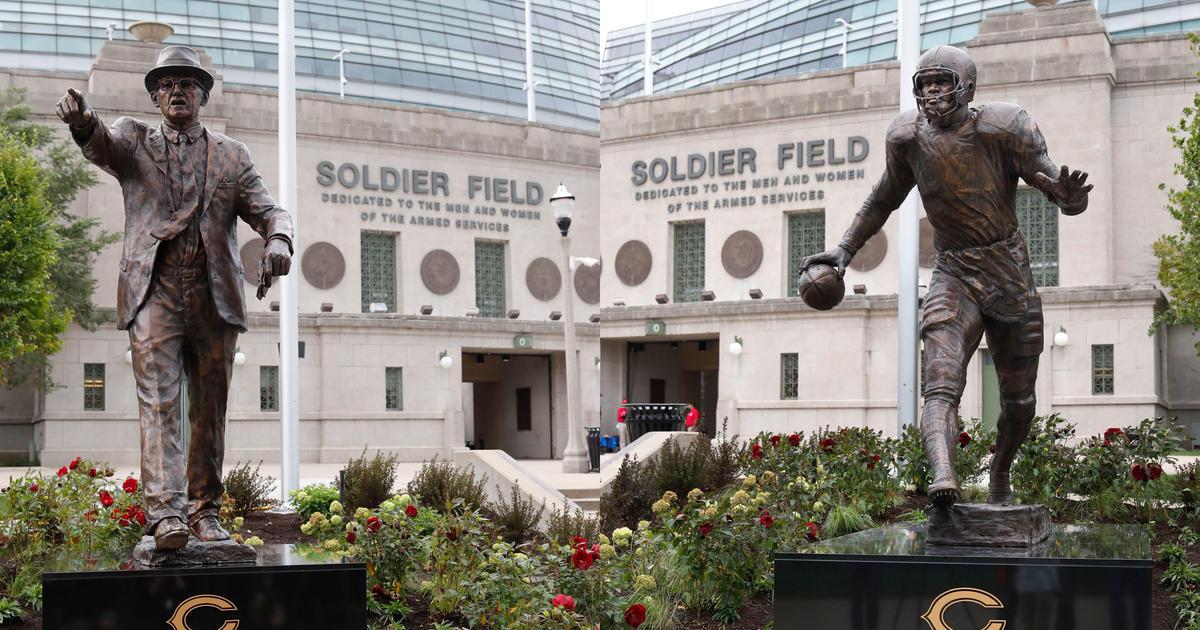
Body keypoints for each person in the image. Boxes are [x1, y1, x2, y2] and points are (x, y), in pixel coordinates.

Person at [801, 45, 1091, 508]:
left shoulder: (1003, 127)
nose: (933, 92)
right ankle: (943, 477)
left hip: (1007, 270)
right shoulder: (907, 138)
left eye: (942, 82)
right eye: (926, 83)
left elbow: (1055, 186)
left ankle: (999, 473)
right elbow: (881, 200)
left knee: (1018, 401)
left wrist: (1069, 195)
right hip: (953, 269)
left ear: (967, 87)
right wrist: (844, 249)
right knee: (939, 382)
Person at [56, 46, 294, 549]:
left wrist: (278, 240)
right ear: (155, 95)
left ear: (203, 95)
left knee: (209, 409)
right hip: (155, 291)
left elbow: (270, 209)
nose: (177, 91)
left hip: (213, 297)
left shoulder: (233, 154)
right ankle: (166, 515)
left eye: (187, 83)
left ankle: (205, 512)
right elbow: (100, 142)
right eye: (167, 84)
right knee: (160, 402)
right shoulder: (134, 138)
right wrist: (83, 122)